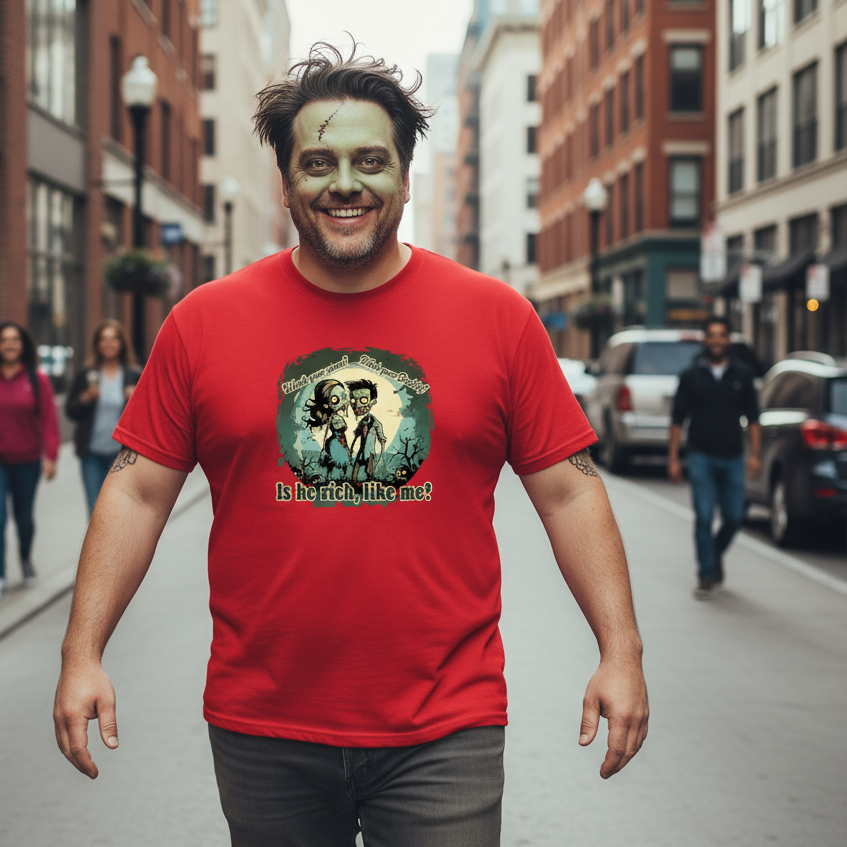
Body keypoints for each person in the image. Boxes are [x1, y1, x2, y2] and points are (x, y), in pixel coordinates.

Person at [53, 42, 648, 846]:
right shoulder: (203, 321)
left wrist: (620, 650)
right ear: (286, 180)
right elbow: (136, 489)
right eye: (317, 162)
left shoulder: (497, 317)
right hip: (263, 725)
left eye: (370, 161)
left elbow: (570, 490)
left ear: (403, 176)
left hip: (447, 724)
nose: (344, 183)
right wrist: (81, 651)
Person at [668, 316, 761, 600]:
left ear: (728, 340)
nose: (717, 341)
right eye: (712, 335)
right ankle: (705, 575)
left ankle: (714, 553)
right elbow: (677, 420)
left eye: (722, 335)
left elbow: (753, 418)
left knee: (734, 517)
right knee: (704, 517)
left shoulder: (743, 374)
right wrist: (673, 458)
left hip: (733, 457)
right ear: (705, 340)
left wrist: (755, 455)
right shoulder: (690, 375)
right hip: (701, 456)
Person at [0, 321, 60, 596]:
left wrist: (51, 457)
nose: (9, 345)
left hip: (27, 461)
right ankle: (1, 572)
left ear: (22, 345)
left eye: (14, 340)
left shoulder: (37, 379)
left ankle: (25, 558)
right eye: (4, 340)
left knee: (24, 520)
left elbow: (49, 420)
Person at [65, 321, 141, 515]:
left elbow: (149, 415)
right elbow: (70, 411)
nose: (109, 344)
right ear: (97, 344)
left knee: (118, 511)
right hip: (91, 452)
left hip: (121, 454)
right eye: (104, 339)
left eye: (114, 339)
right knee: (94, 510)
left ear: (121, 343)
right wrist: (84, 400)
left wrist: (135, 399)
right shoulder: (86, 373)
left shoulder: (133, 374)